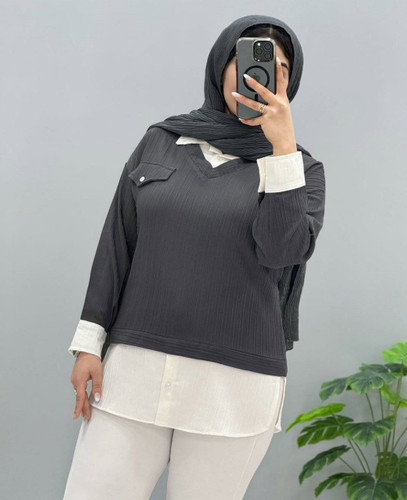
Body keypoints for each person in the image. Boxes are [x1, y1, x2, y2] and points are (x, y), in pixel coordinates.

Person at [63, 14, 326, 500]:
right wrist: (88, 344)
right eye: (247, 60)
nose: (262, 75)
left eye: (280, 69)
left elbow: (282, 251)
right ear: (222, 65)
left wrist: (282, 149)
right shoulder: (161, 141)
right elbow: (117, 244)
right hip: (132, 374)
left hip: (234, 390)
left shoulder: (301, 169)